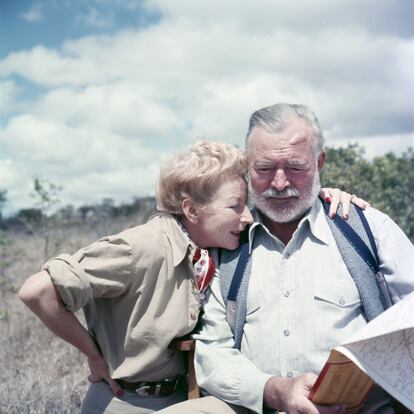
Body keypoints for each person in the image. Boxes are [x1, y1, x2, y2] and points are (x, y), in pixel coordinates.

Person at [19, 139, 363, 414]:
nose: (245, 217)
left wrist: (324, 197)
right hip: (126, 401)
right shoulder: (142, 247)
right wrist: (94, 356)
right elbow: (38, 291)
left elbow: (281, 208)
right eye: (234, 206)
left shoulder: (211, 247)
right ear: (191, 210)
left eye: (246, 205)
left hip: (187, 399)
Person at [158, 104, 414, 414]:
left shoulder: (366, 229)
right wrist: (275, 391)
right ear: (247, 166)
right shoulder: (225, 245)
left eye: (295, 167)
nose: (279, 183)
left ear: (319, 162)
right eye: (264, 169)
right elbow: (213, 353)